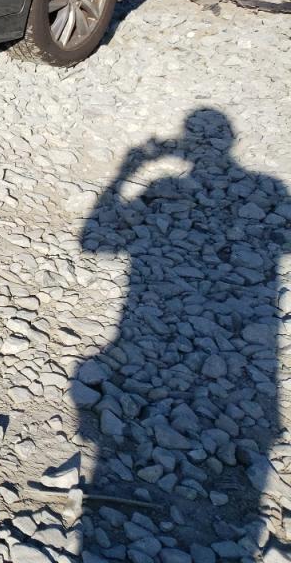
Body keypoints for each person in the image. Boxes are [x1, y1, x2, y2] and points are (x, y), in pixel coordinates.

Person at [77, 108, 289, 558]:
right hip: (252, 366)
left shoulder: (159, 187)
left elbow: (94, 241)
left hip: (138, 328)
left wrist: (124, 173)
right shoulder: (269, 188)